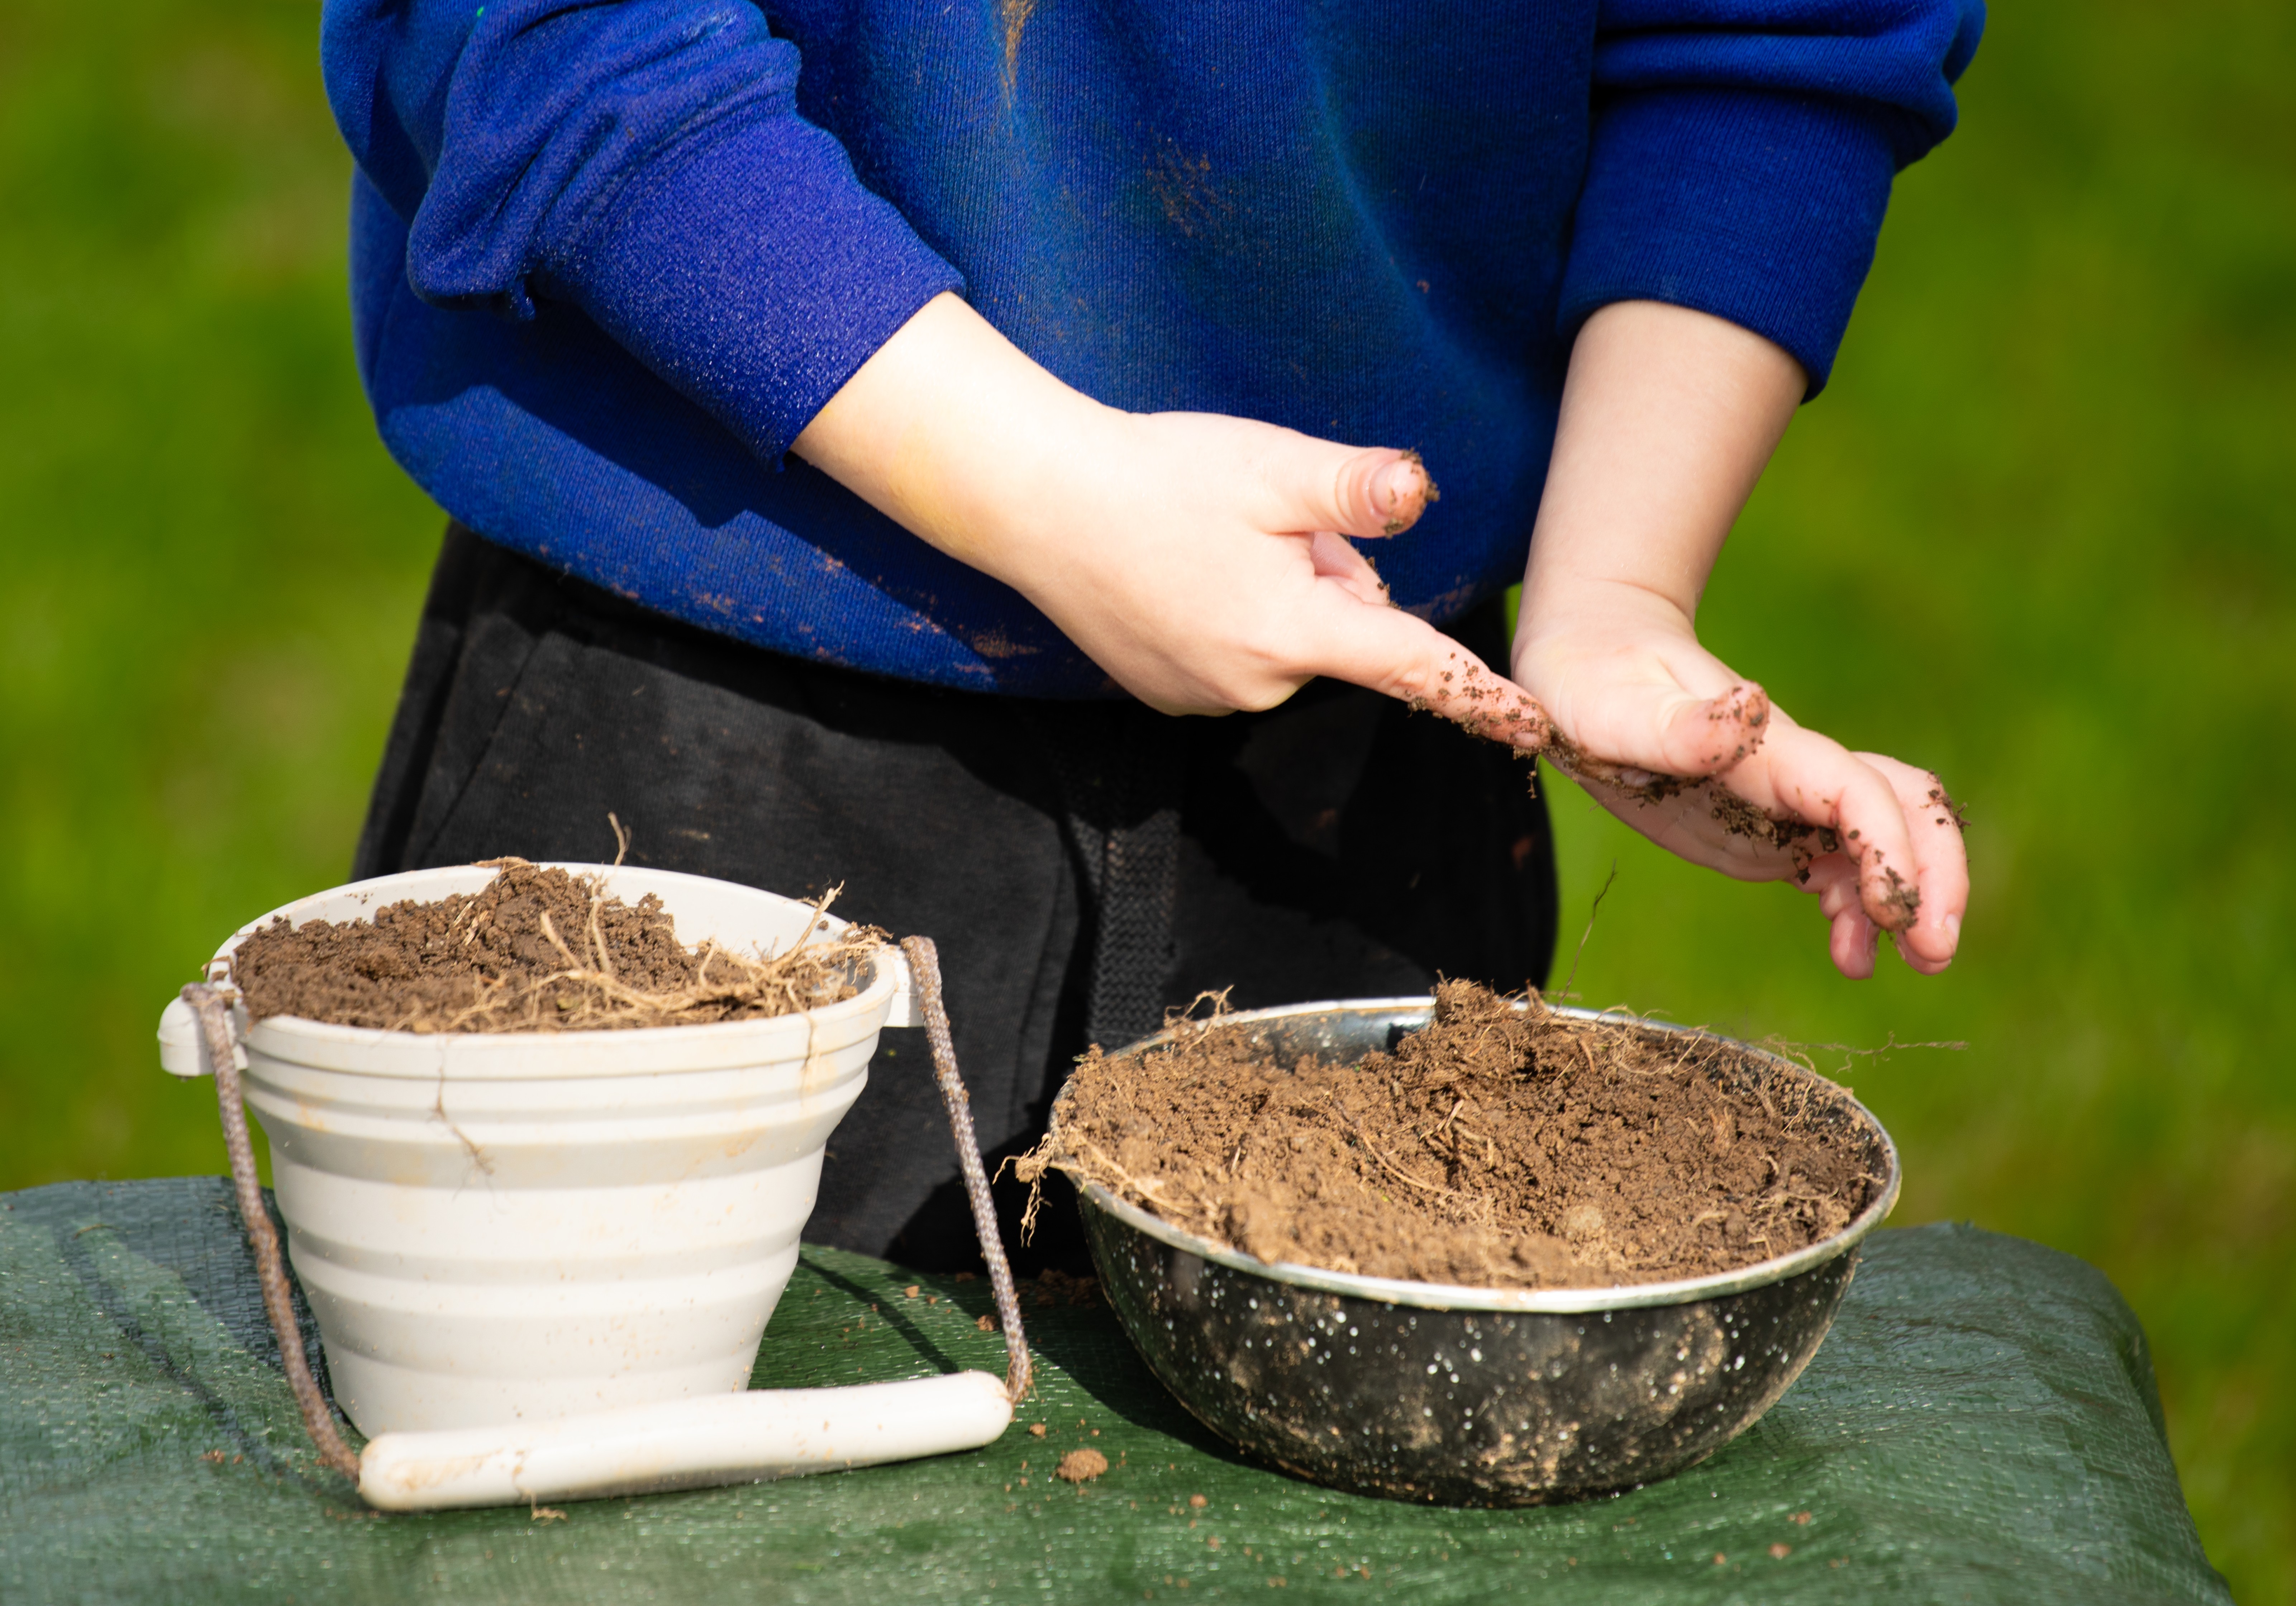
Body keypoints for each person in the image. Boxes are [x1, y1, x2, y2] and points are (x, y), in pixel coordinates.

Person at [324, 0, 1981, 1270]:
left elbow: (1778, 36)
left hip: (1368, 772)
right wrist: (1049, 495)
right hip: (701, 731)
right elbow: (541, 34)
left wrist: (1615, 594)